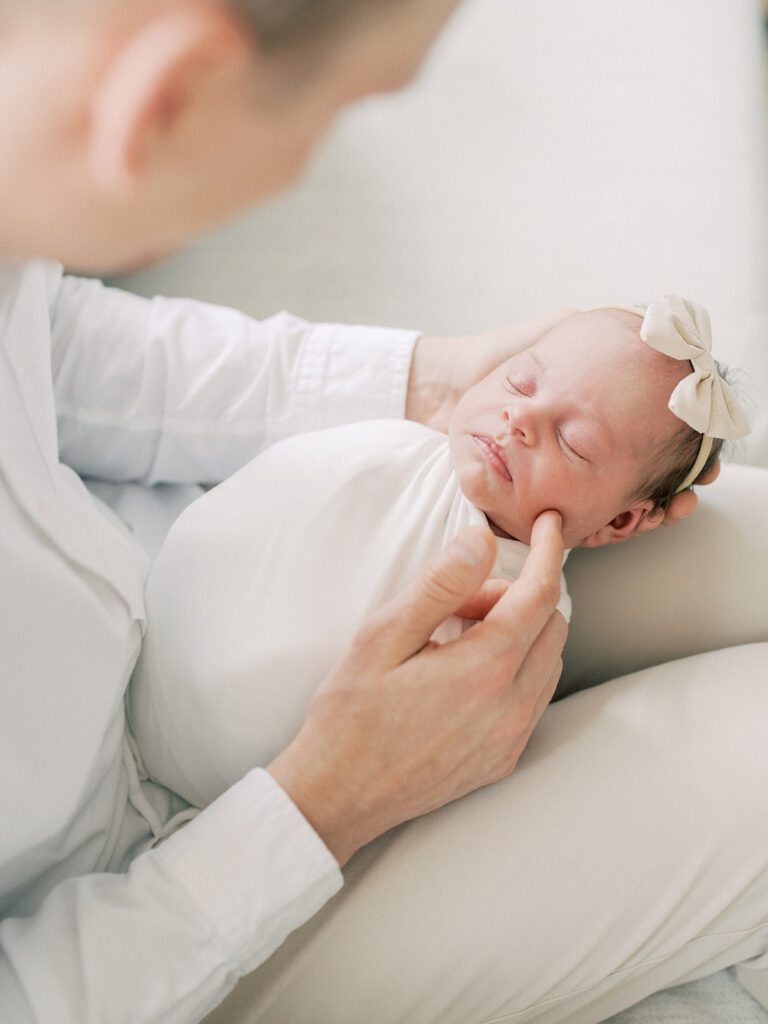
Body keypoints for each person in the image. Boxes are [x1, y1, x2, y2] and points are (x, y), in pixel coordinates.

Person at [0, 2, 764, 1024]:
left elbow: (49, 340)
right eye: (343, 110)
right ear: (166, 97)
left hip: (165, 627)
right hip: (158, 927)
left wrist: (436, 381)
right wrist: (330, 799)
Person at [130, 297, 747, 812]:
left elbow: (455, 727)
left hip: (264, 787)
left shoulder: (520, 611)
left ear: (618, 521)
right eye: (519, 379)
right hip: (167, 665)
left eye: (575, 441)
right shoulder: (389, 446)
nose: (522, 415)